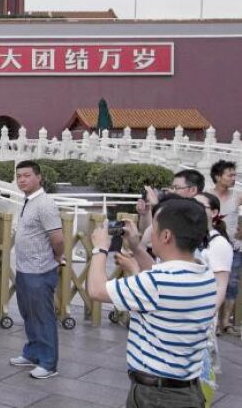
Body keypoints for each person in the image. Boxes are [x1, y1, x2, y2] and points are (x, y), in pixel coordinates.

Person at [87, 197, 216, 407]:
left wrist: (100, 249)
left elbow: (96, 289)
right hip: (187, 389)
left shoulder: (156, 283)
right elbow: (157, 279)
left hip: (157, 396)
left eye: (153, 229)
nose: (149, 234)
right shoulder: (204, 273)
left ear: (166, 236)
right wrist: (137, 248)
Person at [9, 160, 64, 379]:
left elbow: (58, 239)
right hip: (25, 268)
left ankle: (49, 363)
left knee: (42, 316)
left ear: (39, 177)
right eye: (18, 176)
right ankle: (32, 353)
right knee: (28, 314)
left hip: (40, 270)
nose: (21, 180)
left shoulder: (45, 204)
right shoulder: (28, 201)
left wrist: (58, 256)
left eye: (27, 175)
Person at [194, 192, 233, 403]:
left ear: (214, 212)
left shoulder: (218, 244)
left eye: (202, 206)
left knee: (201, 372)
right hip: (187, 312)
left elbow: (221, 285)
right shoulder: (191, 236)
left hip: (202, 315)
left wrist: (207, 316)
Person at [207, 160, 240, 335]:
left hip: (233, 247)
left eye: (234, 175)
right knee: (210, 282)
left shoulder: (238, 196)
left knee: (231, 283)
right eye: (230, 175)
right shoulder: (206, 196)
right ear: (218, 177)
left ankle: (226, 322)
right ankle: (211, 321)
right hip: (209, 245)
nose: (233, 178)